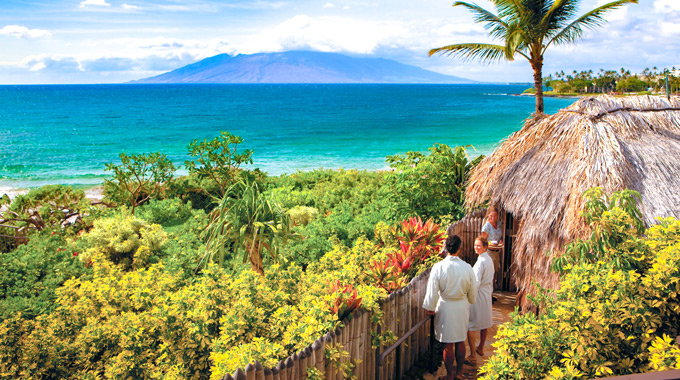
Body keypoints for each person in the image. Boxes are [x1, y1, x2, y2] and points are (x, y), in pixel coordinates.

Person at [422, 235, 477, 380]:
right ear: (460, 248)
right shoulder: (467, 268)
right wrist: (470, 300)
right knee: (460, 340)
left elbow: (432, 290)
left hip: (445, 307)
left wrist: (430, 307)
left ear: (446, 248)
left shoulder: (439, 267)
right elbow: (472, 292)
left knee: (448, 342)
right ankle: (459, 373)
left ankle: (450, 375)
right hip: (461, 307)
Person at [466, 236, 494, 366]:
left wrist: (469, 296)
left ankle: (472, 355)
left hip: (479, 294)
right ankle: (481, 347)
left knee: (470, 324)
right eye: (475, 245)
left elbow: (476, 282)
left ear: (485, 247)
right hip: (487, 292)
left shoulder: (481, 262)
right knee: (484, 322)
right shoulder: (488, 259)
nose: (476, 247)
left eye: (479, 245)